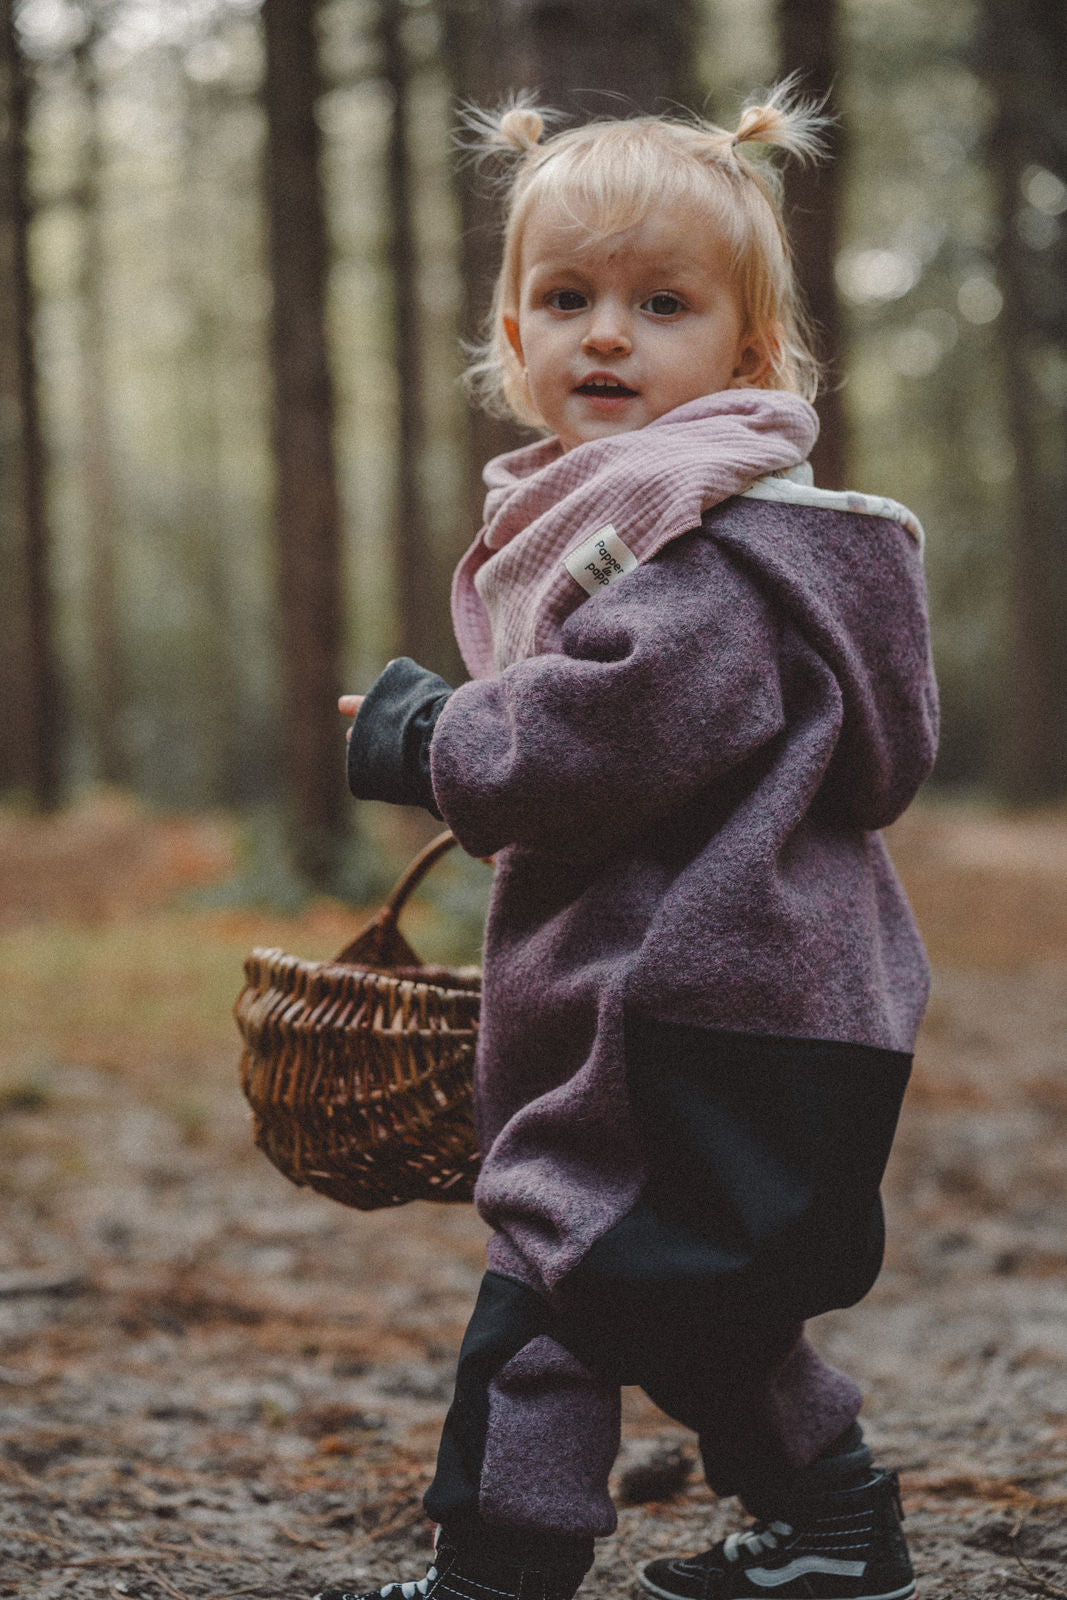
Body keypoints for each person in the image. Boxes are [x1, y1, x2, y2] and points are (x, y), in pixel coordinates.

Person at [325, 84, 937, 1600]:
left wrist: (427, 734)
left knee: (555, 1267)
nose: (607, 334)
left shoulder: (716, 550)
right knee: (671, 1286)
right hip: (725, 996)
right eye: (568, 298)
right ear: (512, 332)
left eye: (660, 304)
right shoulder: (639, 521)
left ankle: (502, 1565)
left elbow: (609, 732)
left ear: (750, 350)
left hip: (705, 1003)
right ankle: (837, 1525)